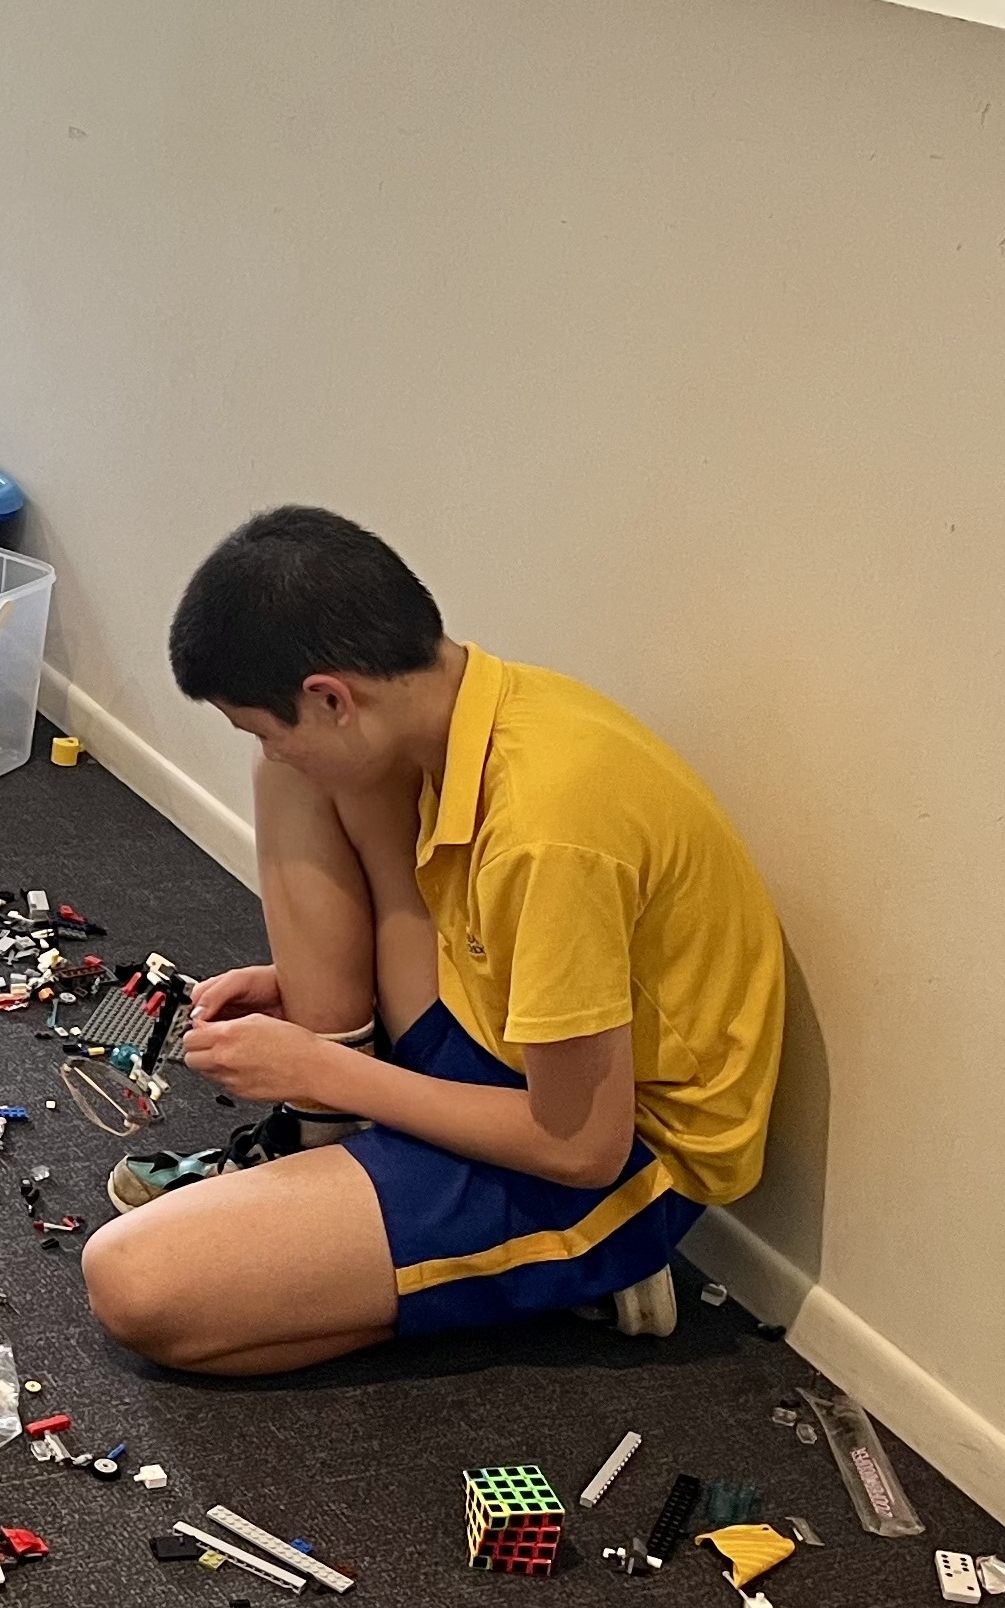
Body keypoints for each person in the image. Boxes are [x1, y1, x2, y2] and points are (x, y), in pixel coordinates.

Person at [79, 508, 784, 1377]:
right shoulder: (480, 708)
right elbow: (510, 946)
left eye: (268, 724)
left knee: (134, 1284)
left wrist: (319, 1068)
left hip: (616, 1157)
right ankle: (327, 1146)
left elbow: (579, 1146)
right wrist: (308, 990)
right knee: (297, 777)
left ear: (332, 696)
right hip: (513, 1038)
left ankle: (579, 1274)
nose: (269, 747)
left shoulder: (545, 832)